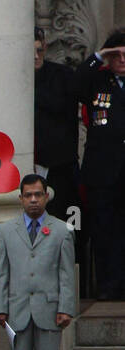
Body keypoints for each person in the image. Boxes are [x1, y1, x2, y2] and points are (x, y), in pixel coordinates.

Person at [0, 173, 76, 350]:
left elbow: (65, 274)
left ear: (46, 196)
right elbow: (1, 272)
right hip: (17, 309)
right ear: (20, 198)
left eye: (37, 194)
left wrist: (66, 307)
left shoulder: (62, 230)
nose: (33, 200)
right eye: (27, 195)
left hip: (49, 309)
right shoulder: (6, 231)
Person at [77, 31, 125, 298]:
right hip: (103, 172)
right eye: (115, 54)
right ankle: (109, 286)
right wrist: (99, 56)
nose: (121, 59)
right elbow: (76, 84)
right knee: (105, 230)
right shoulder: (97, 80)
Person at [34, 29, 79, 222]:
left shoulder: (63, 76)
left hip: (60, 163)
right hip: (26, 161)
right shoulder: (8, 80)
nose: (35, 56)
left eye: (39, 50)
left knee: (66, 221)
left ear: (44, 47)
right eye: (29, 52)